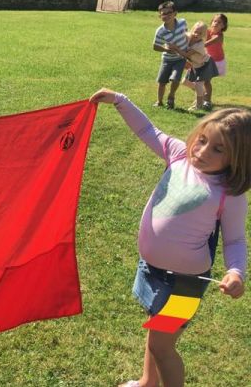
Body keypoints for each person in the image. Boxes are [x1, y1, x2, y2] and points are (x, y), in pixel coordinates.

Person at [90, 89, 249, 387]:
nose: (201, 151)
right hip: (150, 270)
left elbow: (235, 240)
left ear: (237, 158)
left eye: (218, 149)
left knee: (162, 346)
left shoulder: (230, 195)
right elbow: (148, 129)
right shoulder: (178, 154)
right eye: (202, 140)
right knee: (155, 336)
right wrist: (120, 100)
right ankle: (147, 383)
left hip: (185, 285)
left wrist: (236, 272)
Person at [152, 1, 187, 110]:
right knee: (162, 82)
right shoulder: (160, 31)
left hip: (180, 58)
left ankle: (171, 95)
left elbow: (187, 35)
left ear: (175, 13)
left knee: (175, 79)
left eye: (169, 13)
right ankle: (159, 101)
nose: (166, 16)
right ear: (160, 16)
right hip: (167, 59)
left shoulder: (183, 23)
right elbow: (155, 46)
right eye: (163, 14)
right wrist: (165, 49)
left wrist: (189, 52)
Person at [178, 21, 218, 111]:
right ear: (192, 30)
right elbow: (180, 34)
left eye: (200, 33)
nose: (196, 34)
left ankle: (198, 105)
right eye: (195, 31)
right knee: (185, 81)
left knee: (199, 84)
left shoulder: (199, 45)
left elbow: (186, 54)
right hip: (195, 65)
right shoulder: (188, 37)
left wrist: (175, 49)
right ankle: (202, 93)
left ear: (204, 35)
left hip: (204, 65)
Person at [204, 14, 227, 109]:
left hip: (217, 62)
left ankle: (207, 101)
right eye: (215, 21)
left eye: (219, 22)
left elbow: (205, 44)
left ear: (223, 26)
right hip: (208, 59)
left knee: (206, 80)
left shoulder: (218, 36)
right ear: (211, 22)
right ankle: (203, 95)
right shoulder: (207, 31)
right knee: (203, 80)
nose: (216, 23)